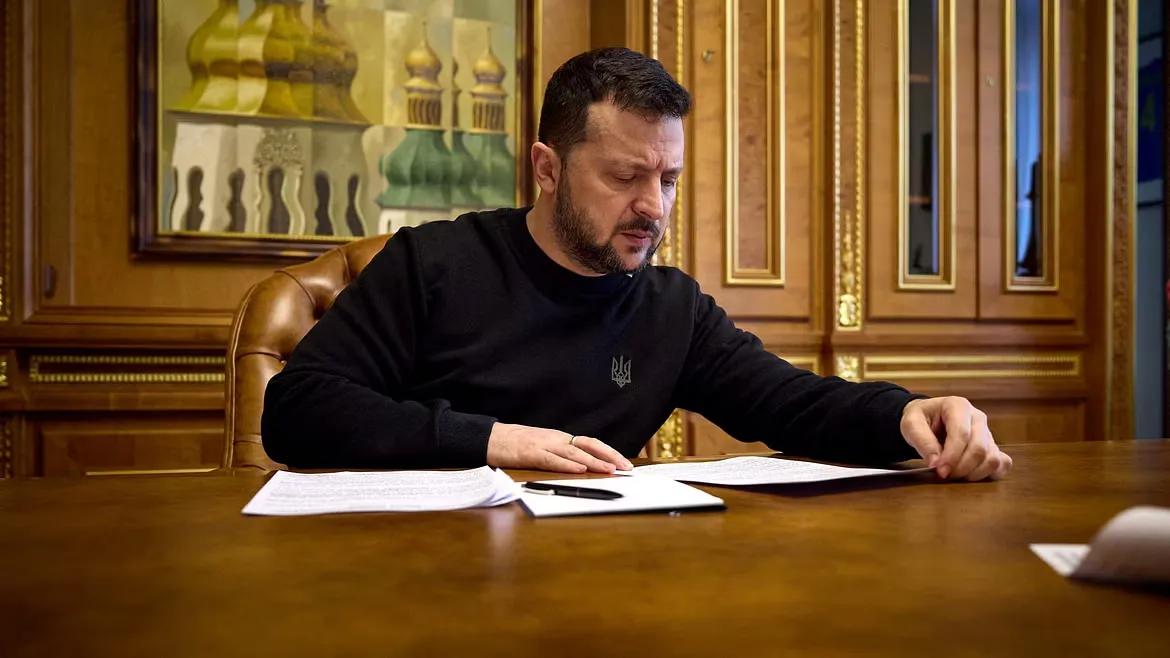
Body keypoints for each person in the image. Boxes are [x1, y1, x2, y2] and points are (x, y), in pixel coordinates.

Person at [262, 48, 1012, 482]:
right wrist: (490, 439)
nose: (653, 206)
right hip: (415, 577)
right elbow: (297, 410)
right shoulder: (434, 264)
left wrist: (906, 414)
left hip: (606, 583)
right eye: (625, 177)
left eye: (669, 179)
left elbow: (793, 404)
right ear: (547, 169)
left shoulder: (670, 310)